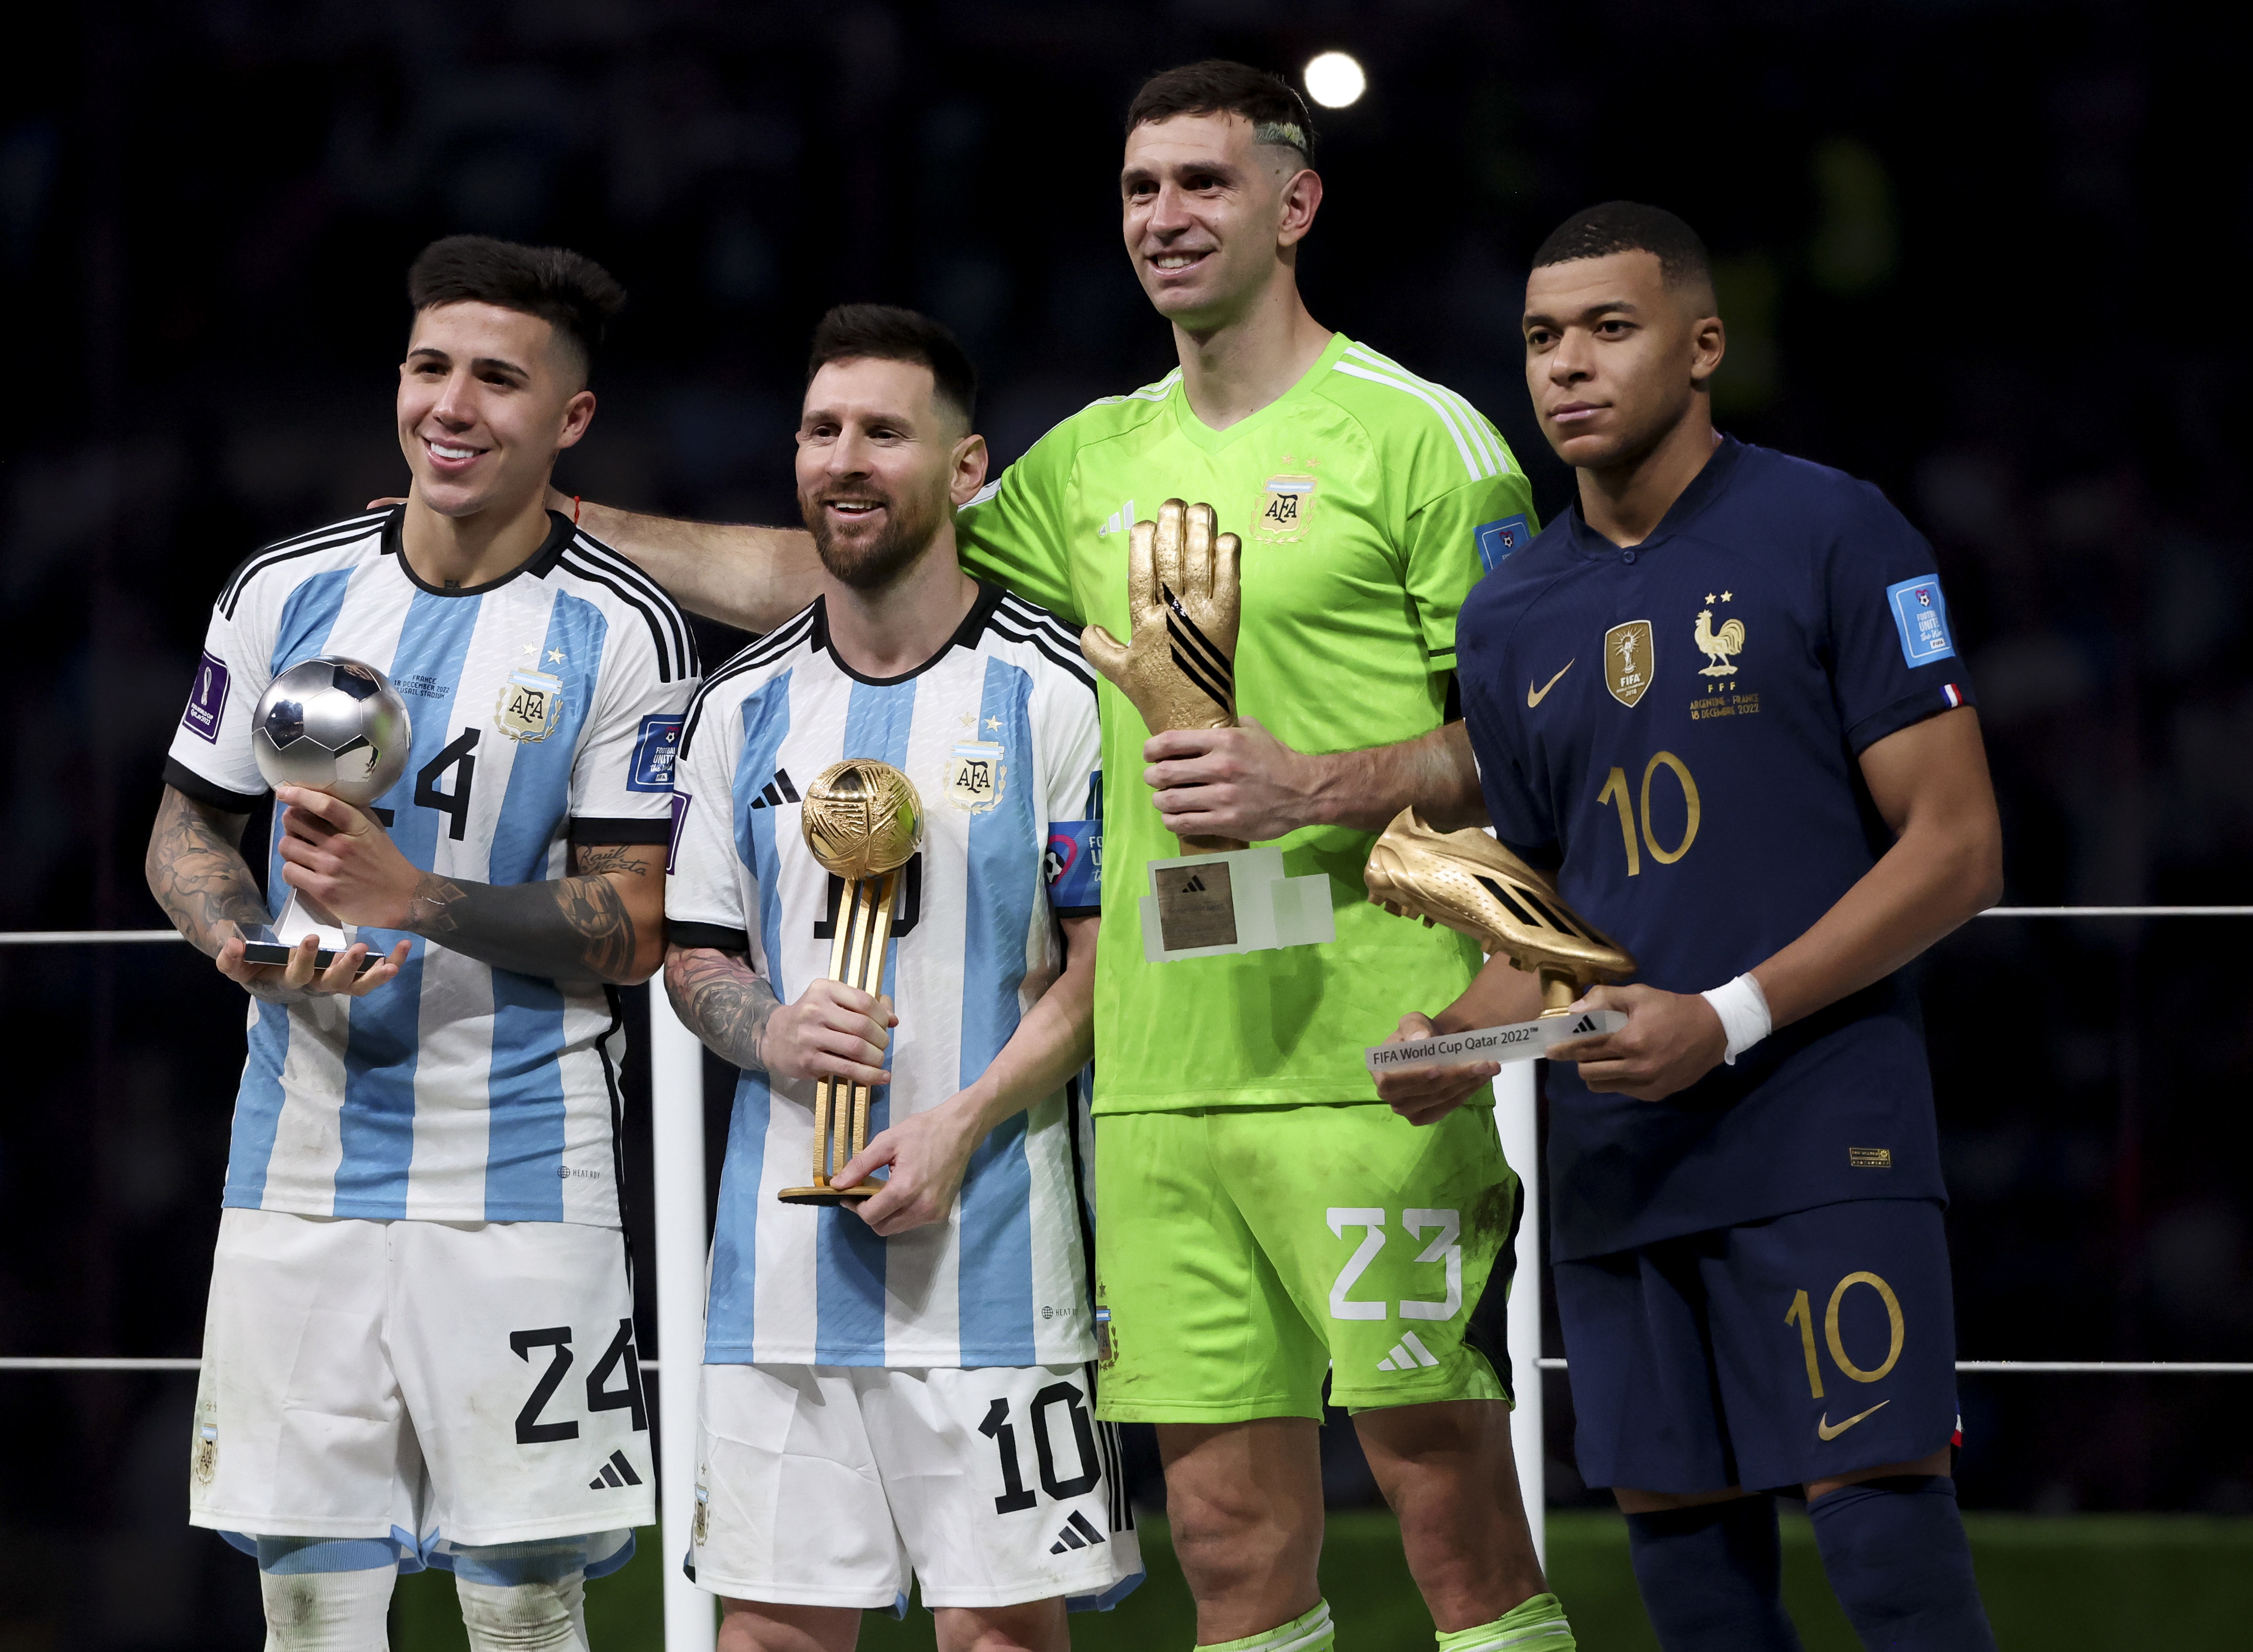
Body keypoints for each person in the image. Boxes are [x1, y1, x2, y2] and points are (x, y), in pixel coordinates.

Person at [571, 60, 1574, 1652]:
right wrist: (562, 521)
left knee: (1448, 1508)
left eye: (1201, 182)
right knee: (1230, 1548)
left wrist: (1338, 803)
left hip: (1371, 1048)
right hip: (1158, 1075)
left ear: (1292, 204)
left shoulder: (1423, 442)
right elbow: (859, 559)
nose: (1163, 217)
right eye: (1138, 189)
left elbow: (1537, 736)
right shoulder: (1090, 461)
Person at [1369, 202, 2004, 1651]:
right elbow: (1542, 910)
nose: (1566, 366)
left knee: (1887, 1550)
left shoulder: (1836, 528)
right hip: (1620, 1152)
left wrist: (1725, 1017)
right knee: (1691, 1587)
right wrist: (1462, 1038)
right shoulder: (1510, 608)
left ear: (1702, 345)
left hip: (1817, 1124)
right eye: (1540, 338)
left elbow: (1959, 848)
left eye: (1609, 327)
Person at [148, 235, 698, 1652]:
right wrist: (235, 941)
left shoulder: (625, 631)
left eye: (498, 380)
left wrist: (418, 900)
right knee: (311, 1604)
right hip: (297, 1158)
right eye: (429, 367)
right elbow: (185, 831)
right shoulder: (286, 589)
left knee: (523, 1605)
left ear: (568, 421)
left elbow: (632, 925)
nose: (451, 406)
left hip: (521, 1168)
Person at [662, 303, 1139, 1652]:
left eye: (883, 431)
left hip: (995, 1253)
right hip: (778, 1272)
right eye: (821, 431)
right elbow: (695, 952)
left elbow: (1107, 967)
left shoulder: (1052, 692)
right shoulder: (738, 706)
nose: (844, 460)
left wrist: (959, 1120)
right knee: (766, 1636)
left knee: (997, 1637)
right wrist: (768, 1031)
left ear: (967, 467)